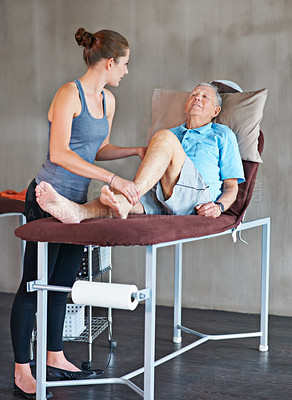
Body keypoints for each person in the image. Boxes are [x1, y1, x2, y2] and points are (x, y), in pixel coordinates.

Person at [10, 27, 146, 399]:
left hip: (77, 208)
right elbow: (61, 153)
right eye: (125, 64)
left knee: (61, 286)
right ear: (108, 62)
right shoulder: (68, 94)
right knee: (33, 285)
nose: (127, 72)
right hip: (46, 197)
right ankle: (23, 369)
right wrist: (114, 180)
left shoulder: (108, 100)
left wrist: (134, 150)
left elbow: (94, 148)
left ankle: (53, 356)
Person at [35, 83, 245, 224]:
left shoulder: (221, 134)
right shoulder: (173, 134)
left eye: (205, 97)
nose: (197, 98)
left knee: (160, 140)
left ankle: (130, 196)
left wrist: (218, 206)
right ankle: (77, 212)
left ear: (215, 111)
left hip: (197, 197)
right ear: (186, 105)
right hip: (162, 196)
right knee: (116, 200)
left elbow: (231, 187)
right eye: (194, 95)